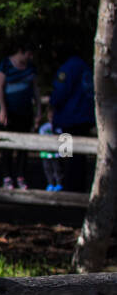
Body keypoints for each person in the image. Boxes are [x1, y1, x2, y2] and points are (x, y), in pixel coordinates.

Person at [47, 53, 96, 191]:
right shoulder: (84, 67)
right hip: (84, 118)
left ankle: (66, 184)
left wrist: (52, 104)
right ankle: (78, 185)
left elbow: (60, 92)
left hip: (69, 119)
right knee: (80, 156)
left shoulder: (68, 68)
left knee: (67, 154)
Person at [0, 43, 38, 190]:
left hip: (25, 111)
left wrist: (38, 110)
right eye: (28, 53)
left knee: (23, 145)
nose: (30, 57)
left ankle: (21, 176)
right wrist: (2, 108)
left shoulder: (31, 67)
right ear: (21, 50)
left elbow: (35, 89)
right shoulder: (5, 64)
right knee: (7, 144)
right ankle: (7, 176)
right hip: (9, 111)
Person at [39, 121, 64, 191]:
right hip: (46, 153)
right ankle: (50, 183)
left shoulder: (59, 127)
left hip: (56, 154)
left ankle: (59, 184)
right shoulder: (43, 127)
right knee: (48, 169)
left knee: (57, 169)